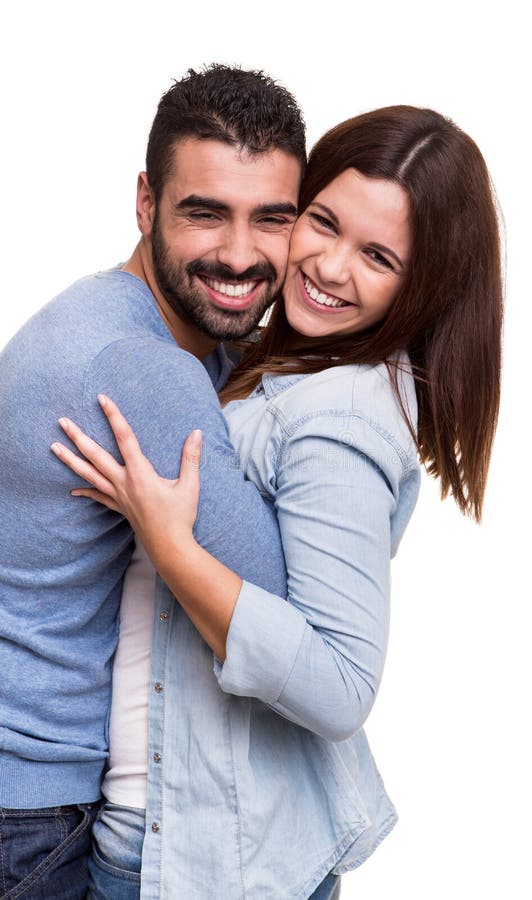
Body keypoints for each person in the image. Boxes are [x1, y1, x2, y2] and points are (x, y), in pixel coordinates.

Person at [52, 105, 503, 898]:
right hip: (194, 834)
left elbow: (341, 684)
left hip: (198, 863)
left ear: (422, 285)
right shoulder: (284, 367)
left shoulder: (337, 420)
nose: (330, 266)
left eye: (377, 256)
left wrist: (172, 548)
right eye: (322, 223)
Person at [0, 63, 306, 899]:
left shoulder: (132, 318)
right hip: (32, 810)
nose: (239, 254)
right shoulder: (141, 366)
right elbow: (279, 621)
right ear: (145, 203)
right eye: (205, 213)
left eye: (271, 219)